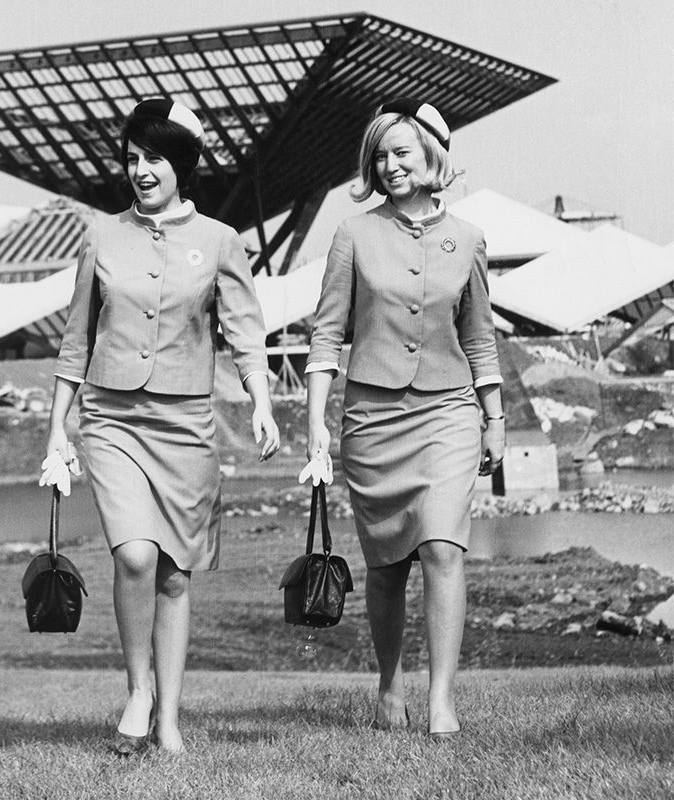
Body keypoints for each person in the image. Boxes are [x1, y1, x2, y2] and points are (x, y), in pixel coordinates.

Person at [44, 98, 280, 755]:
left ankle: (170, 718)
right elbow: (74, 341)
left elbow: (245, 334)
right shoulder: (102, 237)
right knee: (135, 555)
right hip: (113, 419)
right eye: (132, 158)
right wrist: (58, 431)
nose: (140, 170)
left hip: (187, 424)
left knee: (176, 572)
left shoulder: (220, 241)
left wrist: (261, 402)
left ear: (182, 164)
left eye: (154, 158)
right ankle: (138, 691)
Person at [304, 99, 504, 739]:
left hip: (448, 412)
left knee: (444, 548)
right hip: (372, 417)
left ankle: (441, 700)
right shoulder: (353, 234)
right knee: (387, 564)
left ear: (430, 160)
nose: (389, 166)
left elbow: (479, 338)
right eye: (379, 156)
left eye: (401, 154)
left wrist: (494, 417)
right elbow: (326, 334)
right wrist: (315, 426)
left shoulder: (468, 239)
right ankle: (390, 684)